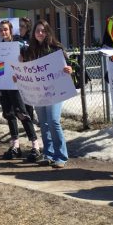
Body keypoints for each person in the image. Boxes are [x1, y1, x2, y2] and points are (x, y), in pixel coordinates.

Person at [22, 19, 73, 167]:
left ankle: (61, 156)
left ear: (47, 32)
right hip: (38, 92)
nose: (40, 33)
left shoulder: (56, 48)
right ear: (34, 33)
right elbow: (25, 68)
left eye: (43, 30)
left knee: (53, 121)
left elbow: (70, 64)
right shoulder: (30, 50)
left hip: (55, 90)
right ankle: (48, 154)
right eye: (37, 30)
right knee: (43, 123)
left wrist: (69, 69)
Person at [0, 19, 39, 159]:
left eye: (6, 29)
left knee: (22, 113)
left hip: (18, 85)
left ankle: (35, 146)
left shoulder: (20, 43)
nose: (3, 32)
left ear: (10, 30)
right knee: (9, 114)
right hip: (4, 85)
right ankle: (15, 146)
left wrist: (23, 57)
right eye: (1, 30)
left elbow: (30, 56)